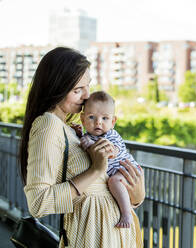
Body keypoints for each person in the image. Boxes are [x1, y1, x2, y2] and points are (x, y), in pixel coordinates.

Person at [19, 47, 145, 247]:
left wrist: (136, 195)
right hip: (91, 239)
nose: (87, 96)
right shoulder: (48, 126)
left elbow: (101, 189)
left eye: (87, 87)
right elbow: (38, 203)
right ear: (56, 88)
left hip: (111, 236)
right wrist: (96, 169)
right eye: (78, 90)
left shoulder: (71, 130)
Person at [77, 90, 140, 228]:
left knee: (114, 181)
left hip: (124, 169)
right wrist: (81, 137)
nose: (98, 122)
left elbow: (111, 152)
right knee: (113, 182)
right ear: (82, 119)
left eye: (105, 118)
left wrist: (92, 146)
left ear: (113, 121)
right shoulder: (88, 136)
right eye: (92, 117)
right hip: (115, 172)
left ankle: (126, 213)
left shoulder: (111, 135)